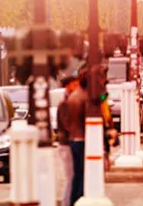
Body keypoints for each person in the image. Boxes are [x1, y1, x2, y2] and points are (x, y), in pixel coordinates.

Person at [65, 69, 89, 205]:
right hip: (81, 139)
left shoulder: (74, 96)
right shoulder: (83, 97)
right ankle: (78, 198)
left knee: (77, 173)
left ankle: (74, 199)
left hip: (73, 138)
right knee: (81, 173)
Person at [56, 75, 79, 206]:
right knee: (70, 177)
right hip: (67, 144)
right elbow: (67, 124)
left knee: (72, 176)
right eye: (74, 84)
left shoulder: (68, 101)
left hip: (69, 143)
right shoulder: (65, 103)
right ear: (68, 86)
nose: (77, 87)